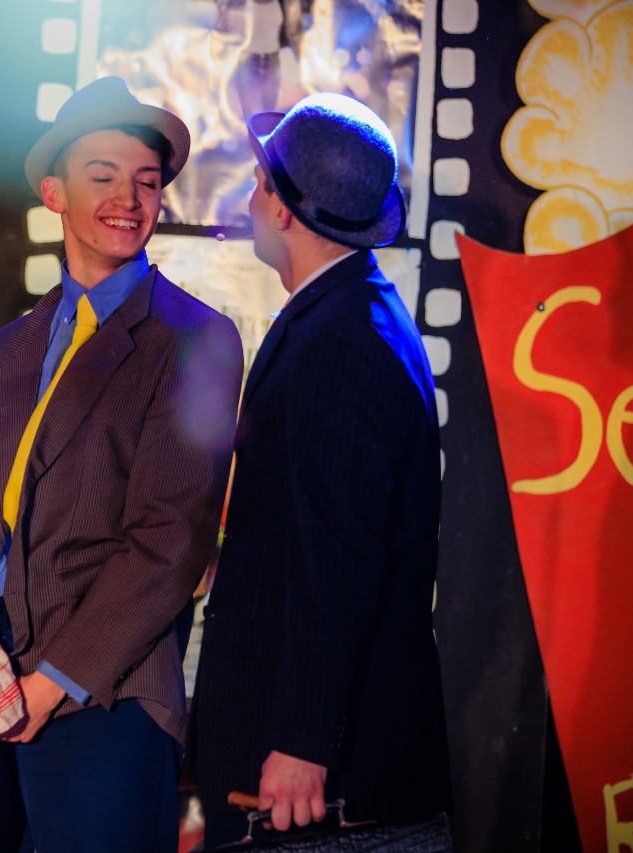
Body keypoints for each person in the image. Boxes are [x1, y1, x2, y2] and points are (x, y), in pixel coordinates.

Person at [0, 76, 243, 852]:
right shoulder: (6, 348)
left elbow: (170, 541)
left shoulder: (193, 337)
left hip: (105, 692)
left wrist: (51, 681)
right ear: (54, 193)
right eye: (104, 176)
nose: (129, 198)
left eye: (147, 182)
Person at [187, 93, 455, 850]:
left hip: (323, 795)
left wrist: (304, 739)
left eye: (258, 182)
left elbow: (337, 555)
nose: (250, 198)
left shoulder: (342, 341)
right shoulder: (345, 314)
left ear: (282, 209)